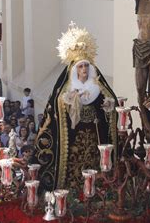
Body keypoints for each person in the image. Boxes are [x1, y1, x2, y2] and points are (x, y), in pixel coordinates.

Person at [35, 24, 117, 191]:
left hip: (95, 138)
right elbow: (55, 112)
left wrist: (109, 106)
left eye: (86, 65)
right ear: (74, 69)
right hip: (73, 139)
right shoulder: (66, 91)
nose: (84, 69)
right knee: (75, 168)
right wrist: (71, 102)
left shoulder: (98, 88)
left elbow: (108, 104)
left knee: (95, 166)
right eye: (80, 66)